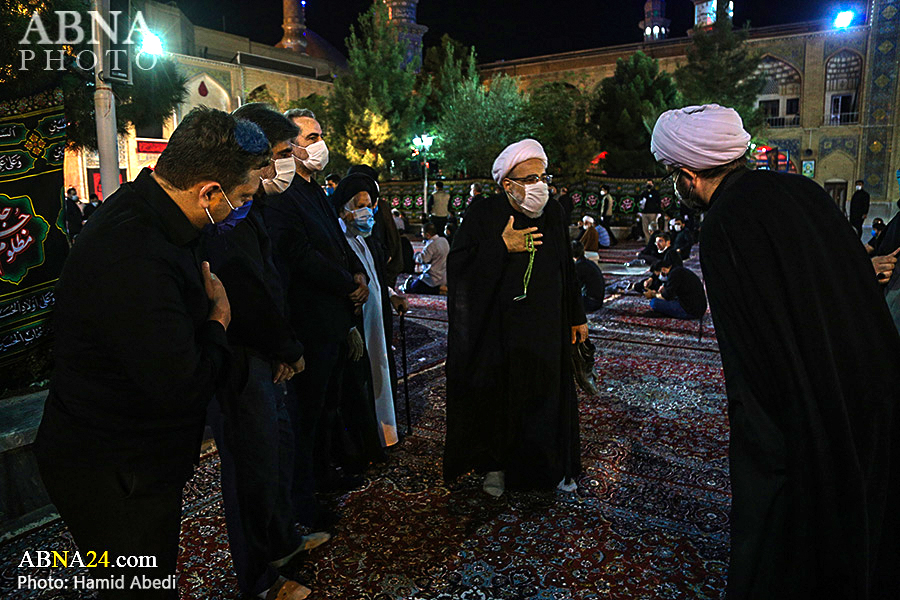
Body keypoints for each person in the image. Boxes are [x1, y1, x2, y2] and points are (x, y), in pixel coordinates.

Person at [651, 103, 900, 599]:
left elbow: (754, 355)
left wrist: (762, 446)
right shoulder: (800, 190)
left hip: (809, 404)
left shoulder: (723, 224)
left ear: (687, 175)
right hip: (873, 378)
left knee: (791, 535)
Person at [34, 107, 268, 600]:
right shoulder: (134, 253)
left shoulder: (155, 211)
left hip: (133, 457)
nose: (242, 209)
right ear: (208, 191)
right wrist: (217, 319)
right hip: (113, 469)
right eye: (242, 198)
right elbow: (181, 384)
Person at [200, 103, 326, 600]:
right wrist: (285, 346)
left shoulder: (254, 206)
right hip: (239, 357)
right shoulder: (227, 214)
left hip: (263, 351)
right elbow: (247, 291)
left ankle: (280, 544)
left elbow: (268, 283)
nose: (281, 166)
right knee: (249, 467)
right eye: (276, 155)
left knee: (275, 449)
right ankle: (258, 579)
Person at [444, 138, 587, 498]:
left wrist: (576, 317)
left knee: (546, 397)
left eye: (543, 176)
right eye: (529, 178)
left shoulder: (553, 212)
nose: (539, 185)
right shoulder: (484, 213)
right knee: (501, 398)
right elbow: (459, 269)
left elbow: (565, 269)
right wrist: (500, 247)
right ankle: (496, 465)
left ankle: (546, 468)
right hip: (500, 329)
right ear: (507, 184)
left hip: (546, 326)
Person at [265, 107, 369, 529]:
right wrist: (347, 282)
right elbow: (300, 255)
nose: (317, 144)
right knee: (305, 415)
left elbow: (334, 243)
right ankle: (303, 500)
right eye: (309, 138)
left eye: (319, 135)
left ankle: (324, 474)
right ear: (288, 146)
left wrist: (356, 272)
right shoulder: (283, 195)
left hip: (333, 319)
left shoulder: (316, 191)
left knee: (327, 407)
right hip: (309, 320)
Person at [333, 172, 409, 451]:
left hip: (378, 324)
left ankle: (385, 434)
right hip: (357, 327)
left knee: (381, 375)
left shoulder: (367, 241)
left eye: (369, 205)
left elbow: (376, 281)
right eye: (359, 206)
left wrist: (391, 296)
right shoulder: (339, 243)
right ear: (343, 210)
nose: (366, 212)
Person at [642, 257, 707, 320]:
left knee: (654, 302)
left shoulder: (673, 275)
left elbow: (667, 296)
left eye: (659, 275)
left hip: (691, 311)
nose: (660, 277)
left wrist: (653, 294)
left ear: (663, 269)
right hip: (698, 308)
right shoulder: (677, 270)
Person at [404, 222, 449, 294]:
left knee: (412, 288)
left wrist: (417, 255)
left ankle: (440, 290)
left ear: (427, 234)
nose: (421, 234)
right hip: (444, 276)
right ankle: (442, 288)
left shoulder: (431, 245)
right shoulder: (444, 240)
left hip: (432, 278)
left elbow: (424, 259)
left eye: (422, 232)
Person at [573, 240, 605, 312]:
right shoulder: (589, 263)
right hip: (598, 302)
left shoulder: (579, 266)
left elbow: (574, 288)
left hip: (590, 303)